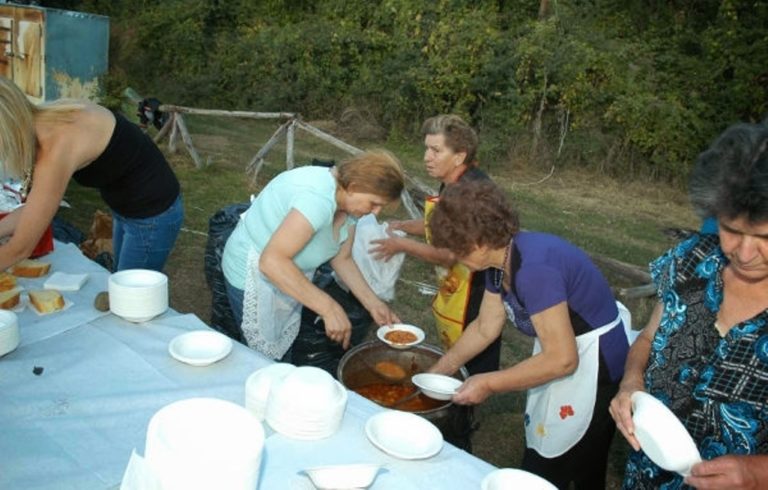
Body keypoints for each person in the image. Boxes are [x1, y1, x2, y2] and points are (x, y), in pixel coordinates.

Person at [428, 179, 631, 489]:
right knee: (557, 445)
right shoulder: (500, 261)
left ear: (479, 242)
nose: (453, 257)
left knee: (565, 462)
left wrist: (490, 383)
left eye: (457, 248)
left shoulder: (534, 269)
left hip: (595, 362)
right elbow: (485, 327)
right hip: (564, 348)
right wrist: (438, 372)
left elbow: (563, 360)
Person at [609, 121, 768, 489]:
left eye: (763, 237)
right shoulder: (691, 261)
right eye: (732, 229)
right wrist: (631, 384)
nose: (744, 253)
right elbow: (649, 339)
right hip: (649, 472)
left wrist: (756, 473)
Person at [221, 150, 404, 360]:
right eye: (374, 204)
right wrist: (328, 308)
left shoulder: (350, 206)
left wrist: (374, 303)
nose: (376, 212)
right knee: (261, 358)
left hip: (288, 270)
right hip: (253, 273)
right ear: (354, 187)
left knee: (279, 347)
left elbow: (342, 257)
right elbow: (271, 262)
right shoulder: (317, 199)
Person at [0, 76, 183, 272]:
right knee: (120, 278)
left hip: (153, 212)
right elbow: (32, 210)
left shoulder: (55, 148)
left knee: (131, 295)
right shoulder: (42, 119)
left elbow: (20, 248)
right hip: (126, 205)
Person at [370, 114, 502, 375]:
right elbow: (440, 225)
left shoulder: (471, 192)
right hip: (458, 282)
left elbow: (449, 255)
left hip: (478, 287)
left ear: (459, 156)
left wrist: (401, 245)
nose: (426, 157)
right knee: (455, 345)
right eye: (426, 149)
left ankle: (464, 405)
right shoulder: (452, 181)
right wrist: (404, 226)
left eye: (436, 150)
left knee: (472, 350)